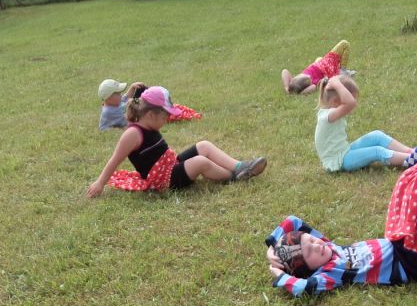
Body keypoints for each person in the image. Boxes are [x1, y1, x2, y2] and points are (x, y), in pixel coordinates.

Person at [268, 82, 417, 297]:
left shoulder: (329, 247)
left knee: (410, 179)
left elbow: (293, 222)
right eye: (310, 251)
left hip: (401, 243)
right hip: (412, 262)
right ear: (306, 269)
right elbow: (303, 288)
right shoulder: (329, 273)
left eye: (311, 240)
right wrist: (279, 271)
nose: (317, 244)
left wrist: (272, 249)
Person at [87, 85, 266, 197]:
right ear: (151, 115)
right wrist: (100, 183)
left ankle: (239, 166)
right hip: (163, 181)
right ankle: (233, 177)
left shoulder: (149, 125)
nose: (167, 121)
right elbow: (114, 160)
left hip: (171, 167)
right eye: (165, 117)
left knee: (203, 145)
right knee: (200, 162)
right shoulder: (132, 134)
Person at [314, 75, 417, 173]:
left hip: (344, 151)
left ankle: (410, 151)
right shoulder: (327, 116)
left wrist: (337, 82)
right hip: (339, 161)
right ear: (336, 102)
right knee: (377, 151)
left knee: (376, 135)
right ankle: (416, 160)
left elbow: (349, 102)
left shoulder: (329, 113)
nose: (353, 106)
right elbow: (350, 103)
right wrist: (337, 83)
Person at [98, 79, 201, 131]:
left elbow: (124, 100)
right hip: (139, 116)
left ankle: (184, 111)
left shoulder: (113, 104)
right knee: (163, 112)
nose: (121, 95)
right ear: (109, 97)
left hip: (137, 110)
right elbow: (128, 108)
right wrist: (142, 100)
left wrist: (132, 88)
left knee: (169, 106)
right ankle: (189, 115)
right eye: (118, 94)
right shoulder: (109, 112)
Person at [282, 39, 354, 95]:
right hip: (326, 66)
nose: (309, 76)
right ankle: (343, 71)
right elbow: (313, 87)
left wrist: (287, 87)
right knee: (345, 44)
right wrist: (301, 93)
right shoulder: (313, 83)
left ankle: (340, 72)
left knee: (318, 58)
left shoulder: (297, 81)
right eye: (309, 78)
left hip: (320, 63)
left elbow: (285, 71)